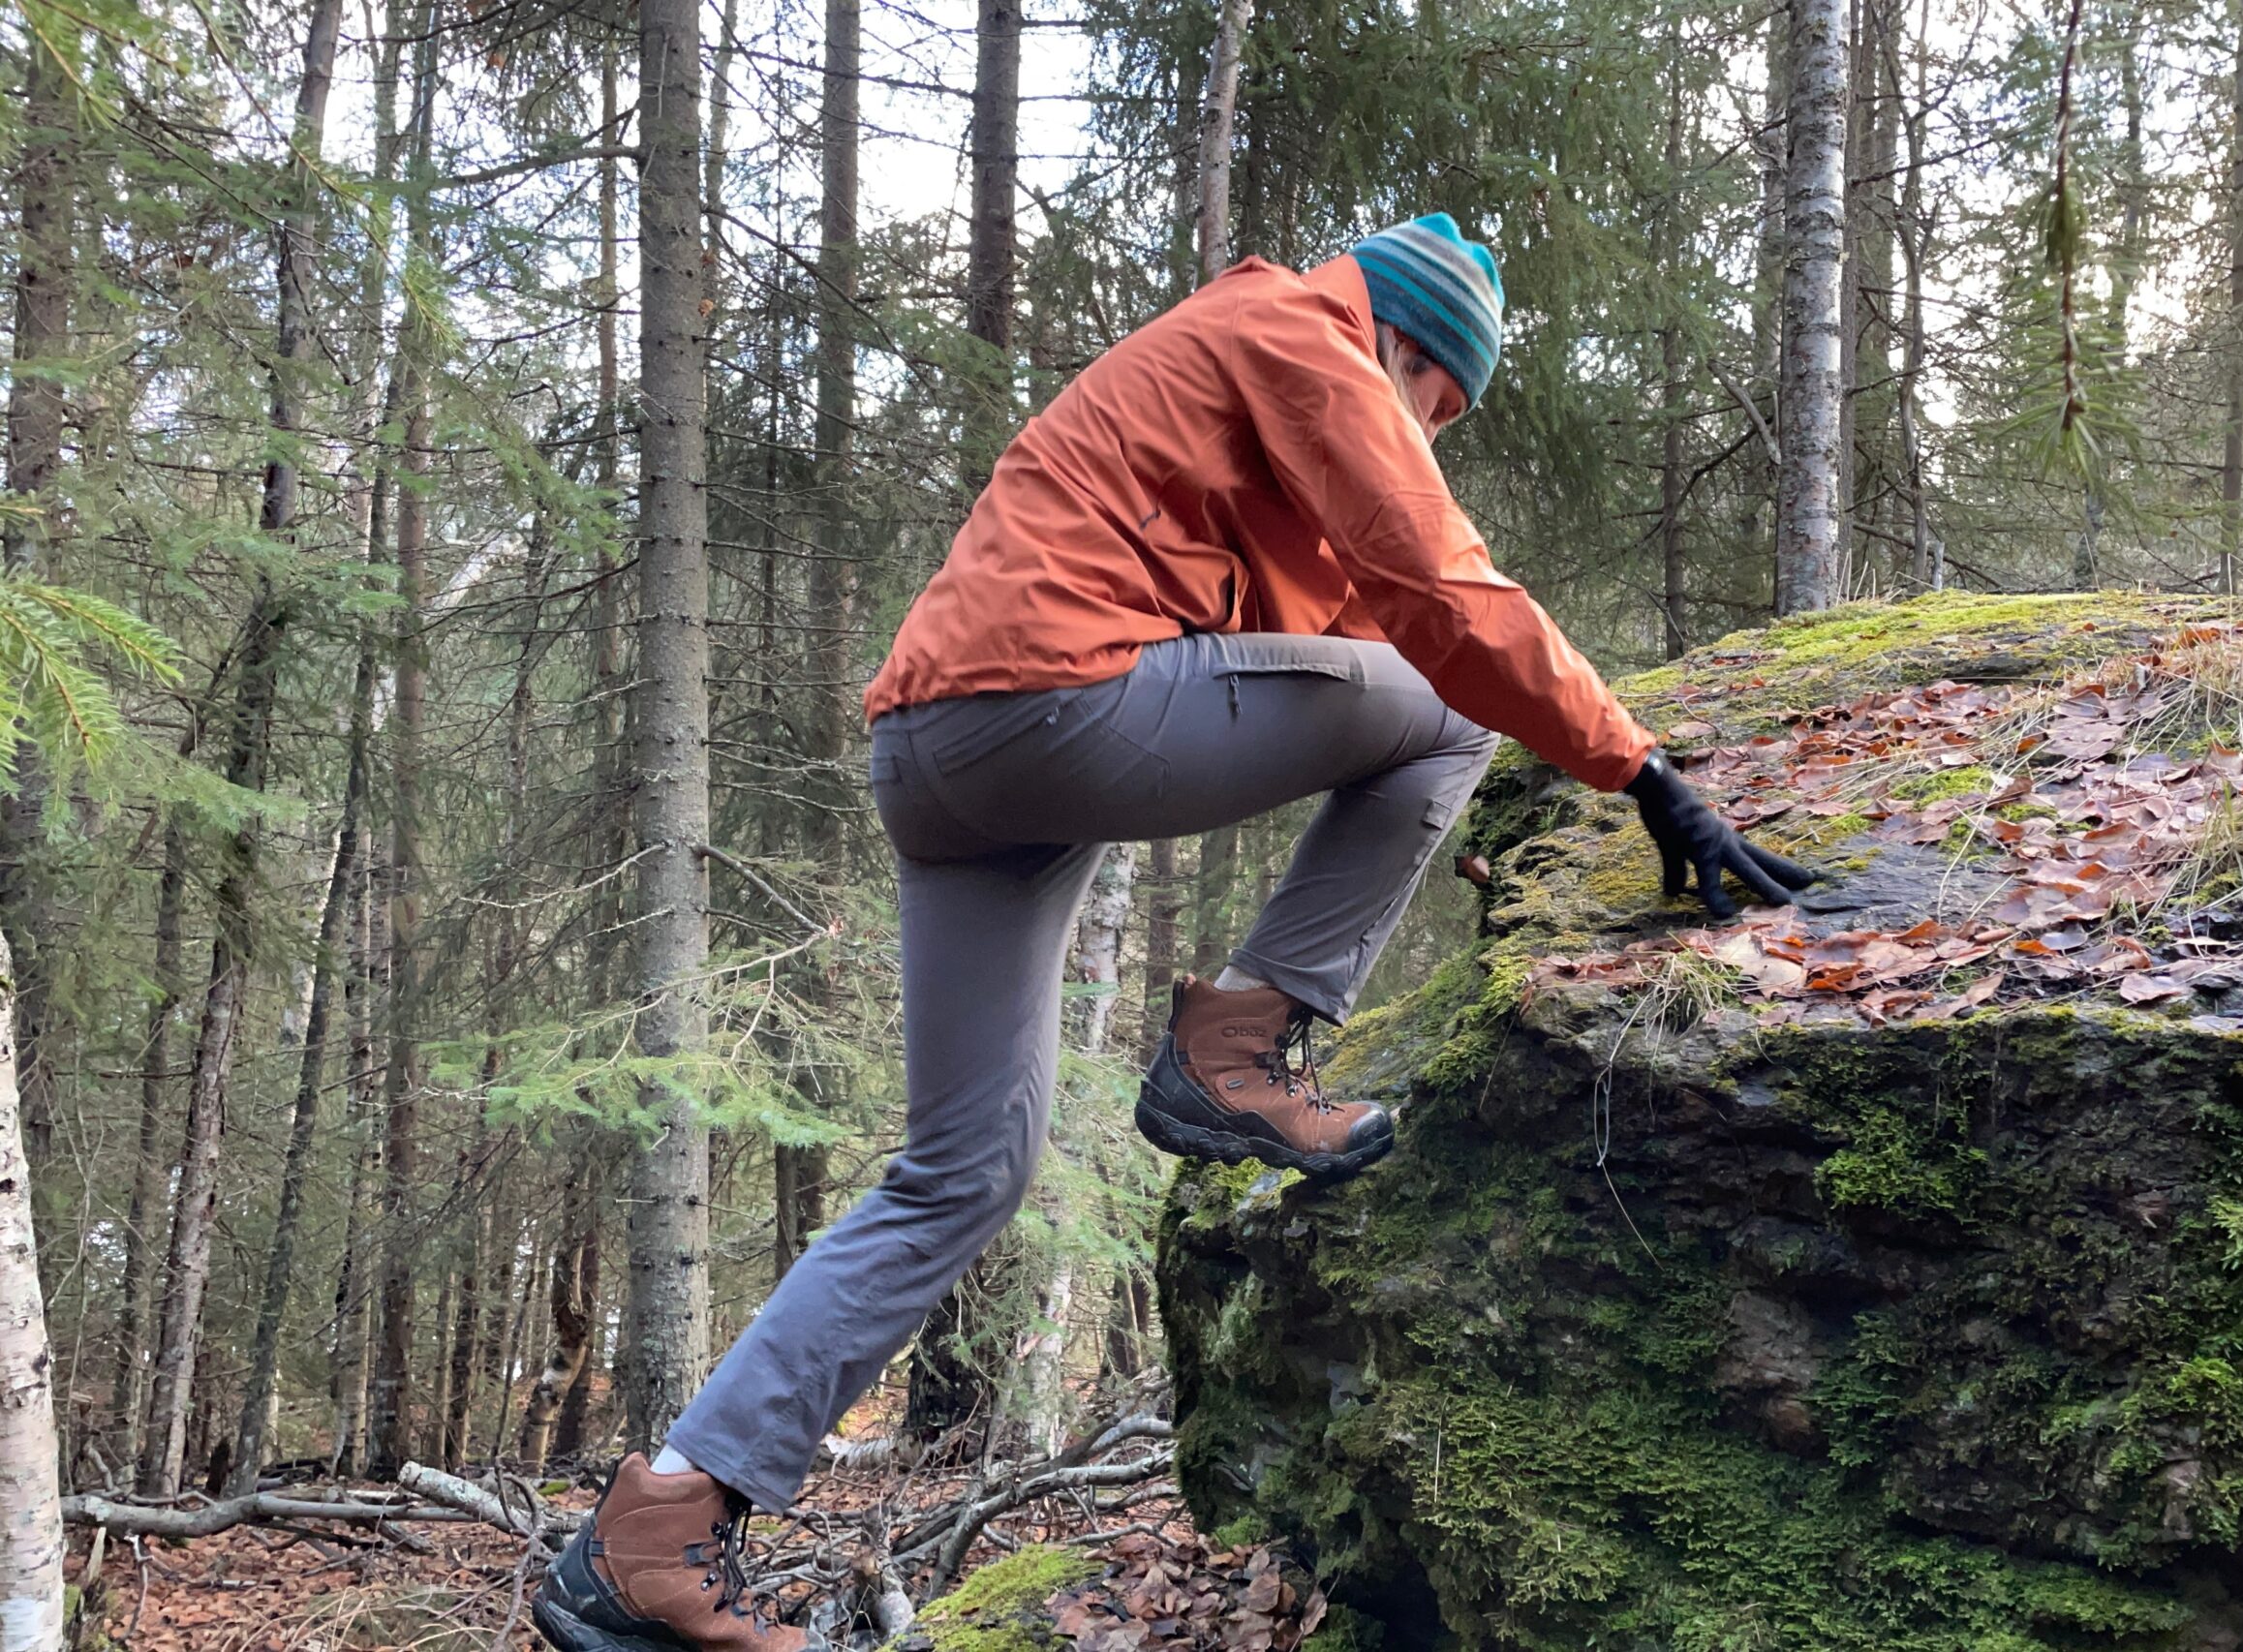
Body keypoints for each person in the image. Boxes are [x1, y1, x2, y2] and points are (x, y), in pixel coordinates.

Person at [531, 214, 1813, 1652]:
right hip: (1049, 700)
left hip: (941, 749)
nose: (1428, 438)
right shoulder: (1304, 334)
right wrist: (1644, 772)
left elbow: (1324, 622)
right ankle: (1238, 1044)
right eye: (1435, 406)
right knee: (1455, 705)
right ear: (1401, 342)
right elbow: (1442, 600)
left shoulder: (1239, 380)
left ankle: (659, 1522)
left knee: (965, 1167)